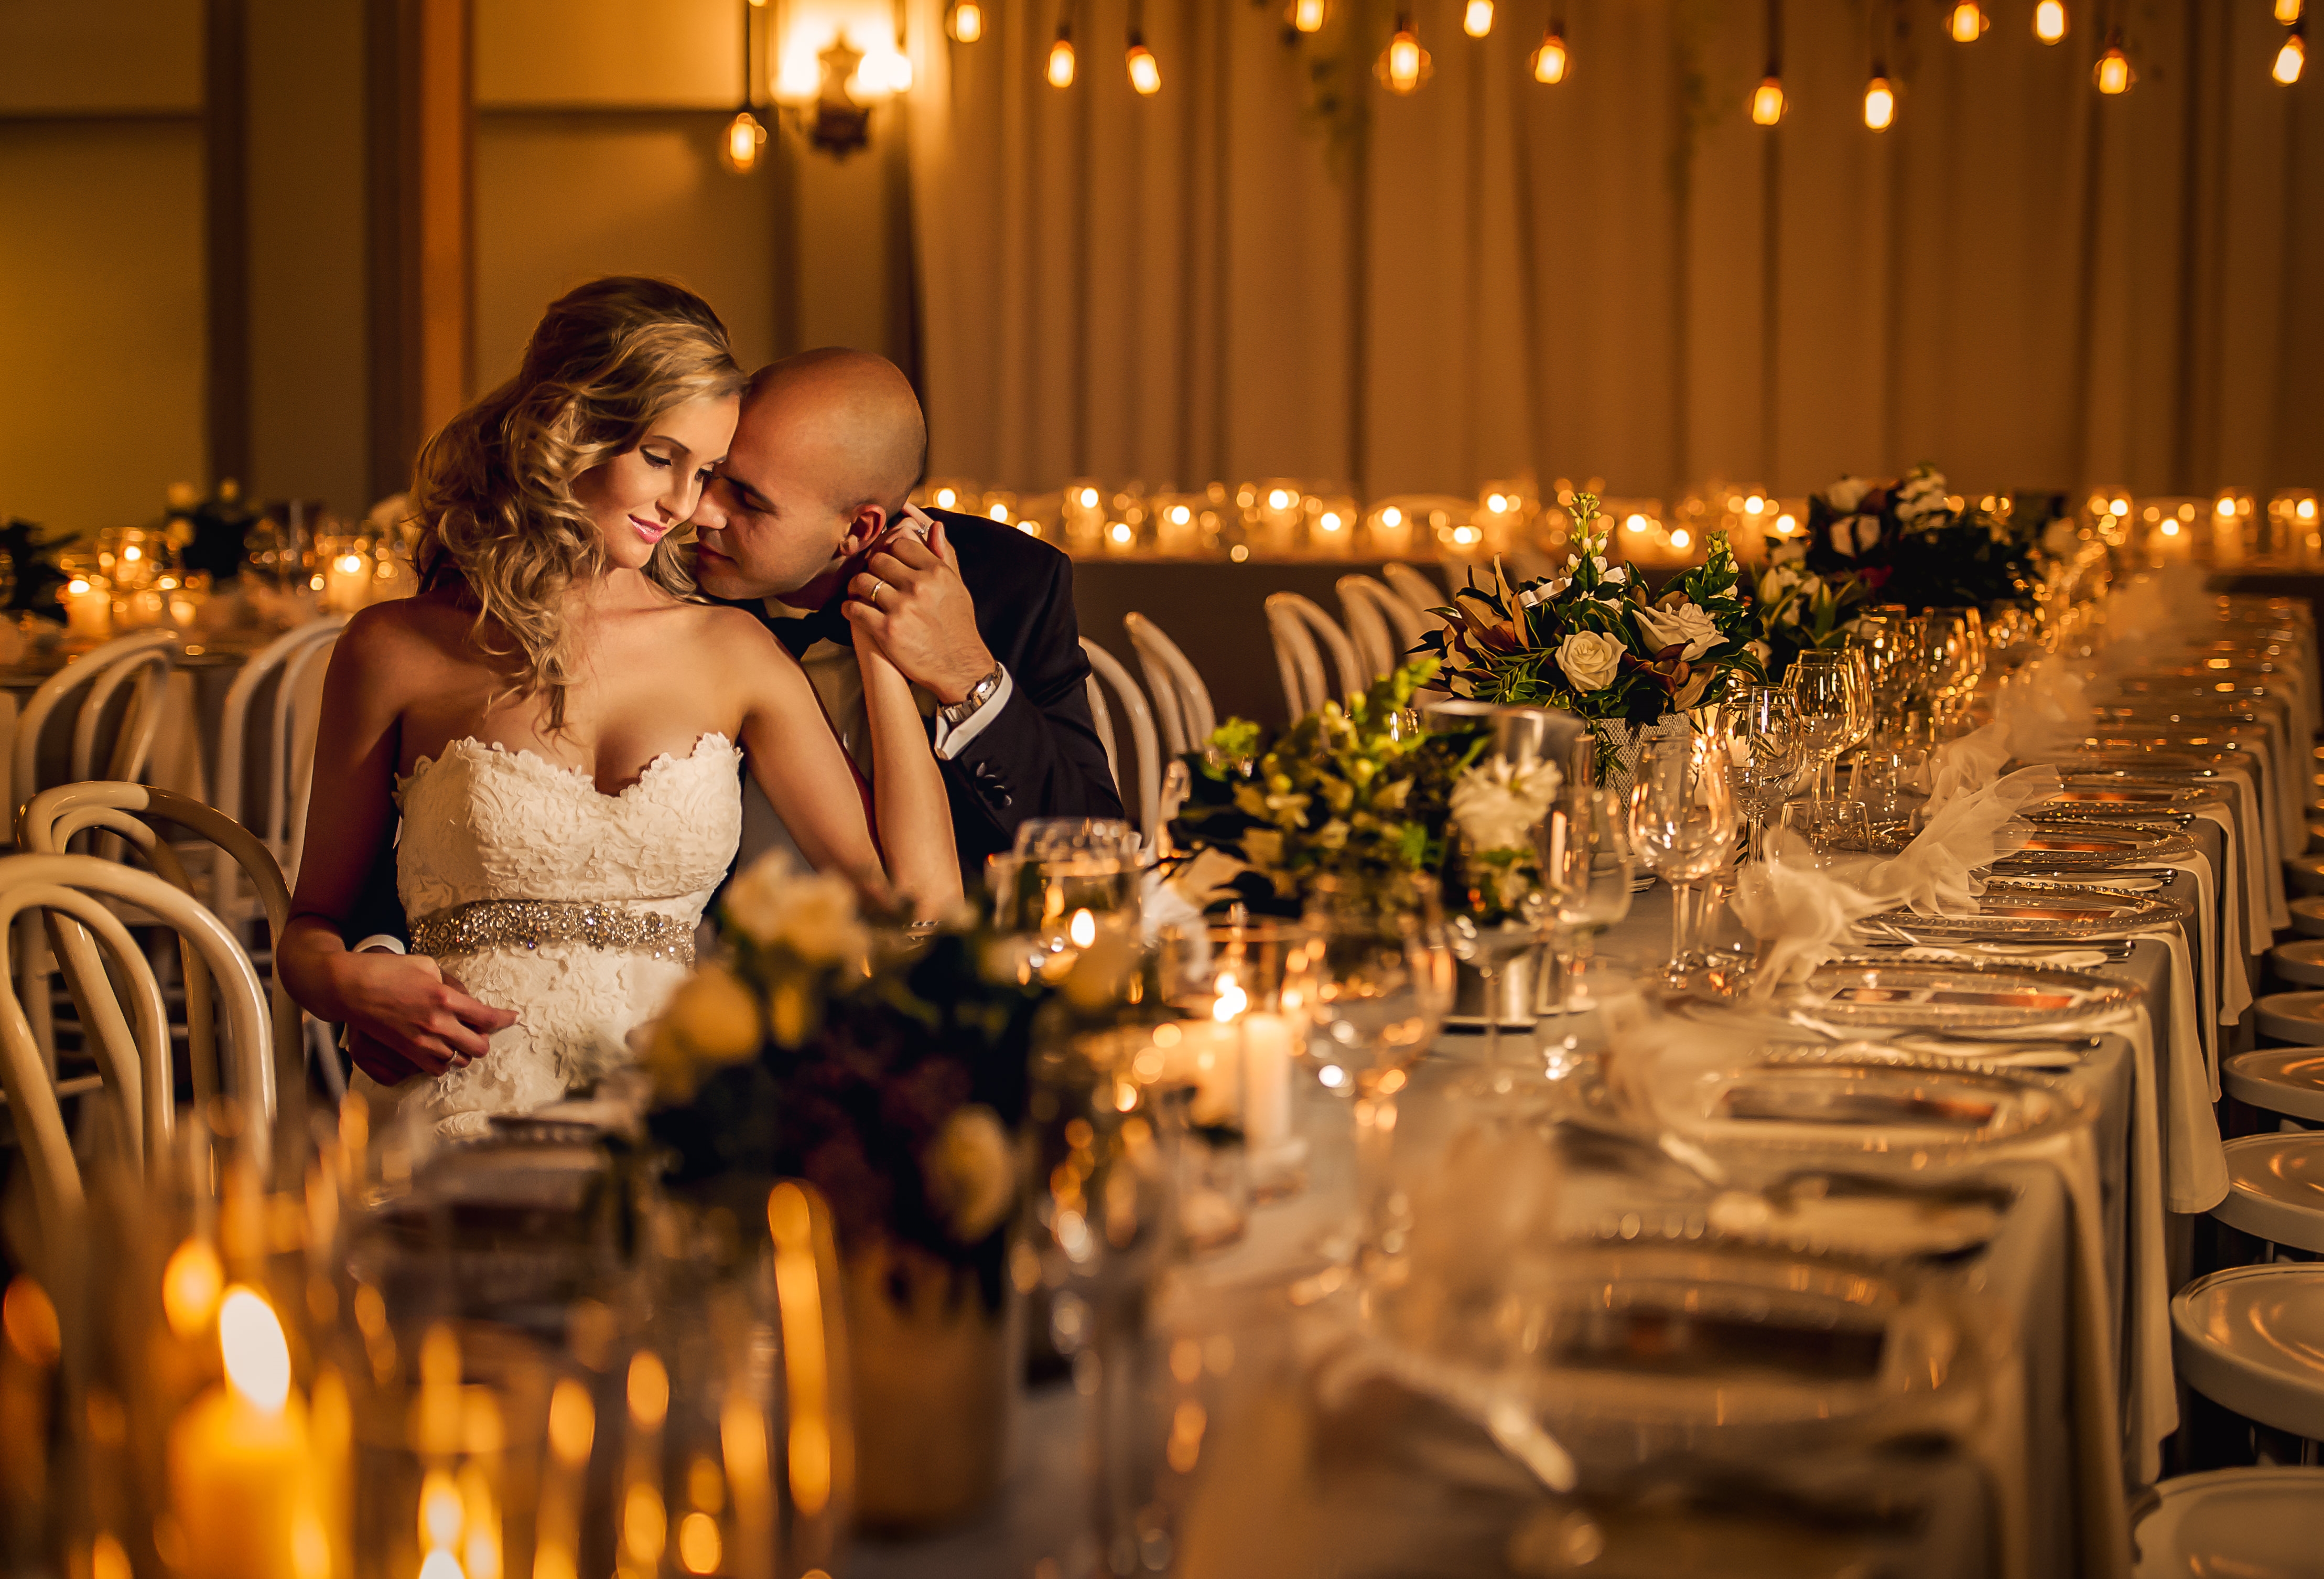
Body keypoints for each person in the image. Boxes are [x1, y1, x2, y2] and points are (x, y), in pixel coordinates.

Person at [279, 278, 958, 1136]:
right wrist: (347, 983)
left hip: (671, 1113)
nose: (685, 506)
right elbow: (312, 926)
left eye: (708, 472)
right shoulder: (392, 649)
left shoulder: (731, 652)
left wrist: (879, 639)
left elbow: (914, 903)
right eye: (661, 457)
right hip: (457, 1106)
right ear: (570, 428)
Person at [688, 348, 1123, 887]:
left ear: (858, 529)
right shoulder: (666, 583)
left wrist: (965, 672)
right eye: (710, 475)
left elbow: (1094, 849)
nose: (699, 510)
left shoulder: (1010, 584)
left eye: (748, 500)